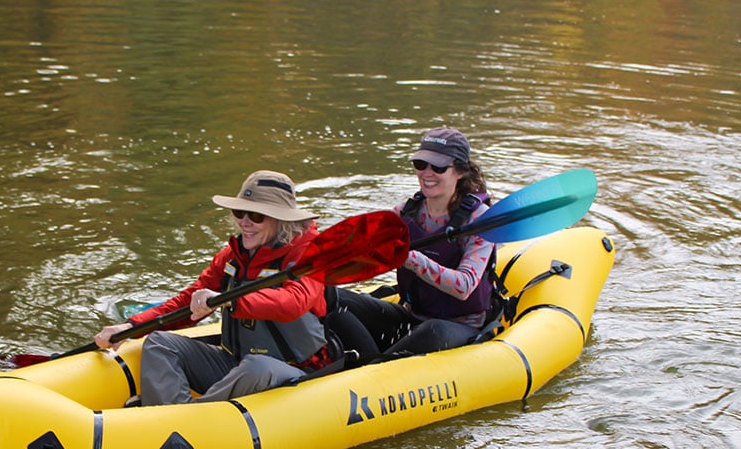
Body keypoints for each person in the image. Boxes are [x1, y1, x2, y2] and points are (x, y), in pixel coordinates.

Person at [94, 169, 332, 406]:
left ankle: (185, 421)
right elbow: (188, 301)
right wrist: (132, 325)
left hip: (295, 370)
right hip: (235, 362)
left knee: (257, 366)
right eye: (239, 212)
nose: (244, 222)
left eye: (256, 216)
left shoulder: (309, 255)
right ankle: (171, 417)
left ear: (281, 219)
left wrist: (230, 300)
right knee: (160, 343)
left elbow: (293, 302)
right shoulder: (234, 256)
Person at [330, 126, 496, 360]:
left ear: (460, 171)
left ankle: (373, 366)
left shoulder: (479, 220)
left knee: (434, 330)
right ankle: (361, 360)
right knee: (333, 297)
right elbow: (362, 243)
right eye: (421, 165)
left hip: (459, 326)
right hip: (412, 317)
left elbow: (464, 287)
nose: (427, 173)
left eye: (438, 167)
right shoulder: (407, 211)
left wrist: (410, 258)